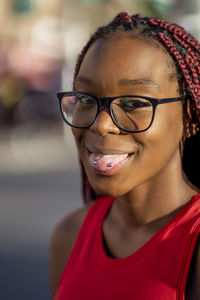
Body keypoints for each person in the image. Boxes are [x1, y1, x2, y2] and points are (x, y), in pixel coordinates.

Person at [50, 12, 200, 299]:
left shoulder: (194, 243)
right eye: (85, 98)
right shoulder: (69, 235)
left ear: (189, 117)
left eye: (133, 102)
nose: (101, 124)